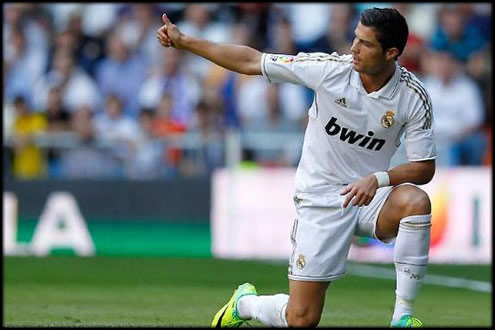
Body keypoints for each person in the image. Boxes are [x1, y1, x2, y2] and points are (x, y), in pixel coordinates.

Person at [157, 7, 435, 328]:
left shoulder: (413, 96)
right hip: (321, 198)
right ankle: (245, 304)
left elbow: (424, 167)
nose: (354, 49)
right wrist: (186, 42)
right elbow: (251, 61)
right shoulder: (330, 70)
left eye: (366, 44)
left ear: (392, 53)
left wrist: (378, 178)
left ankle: (402, 317)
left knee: (416, 202)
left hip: (370, 196)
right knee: (301, 319)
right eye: (355, 39)